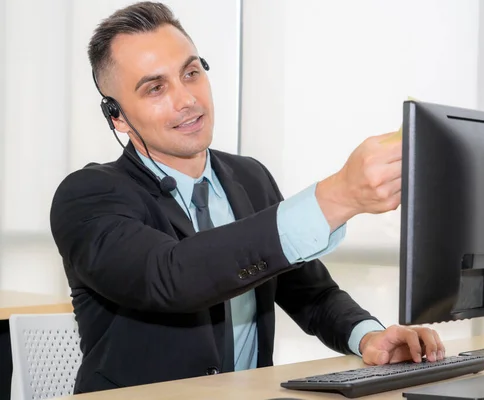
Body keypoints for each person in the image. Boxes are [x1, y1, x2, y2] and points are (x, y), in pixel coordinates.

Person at [49, 1, 445, 394]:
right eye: (156, 88)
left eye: (191, 73)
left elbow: (311, 294)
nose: (187, 99)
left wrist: (368, 337)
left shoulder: (249, 177)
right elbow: (172, 277)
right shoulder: (86, 197)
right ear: (116, 115)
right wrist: (335, 198)